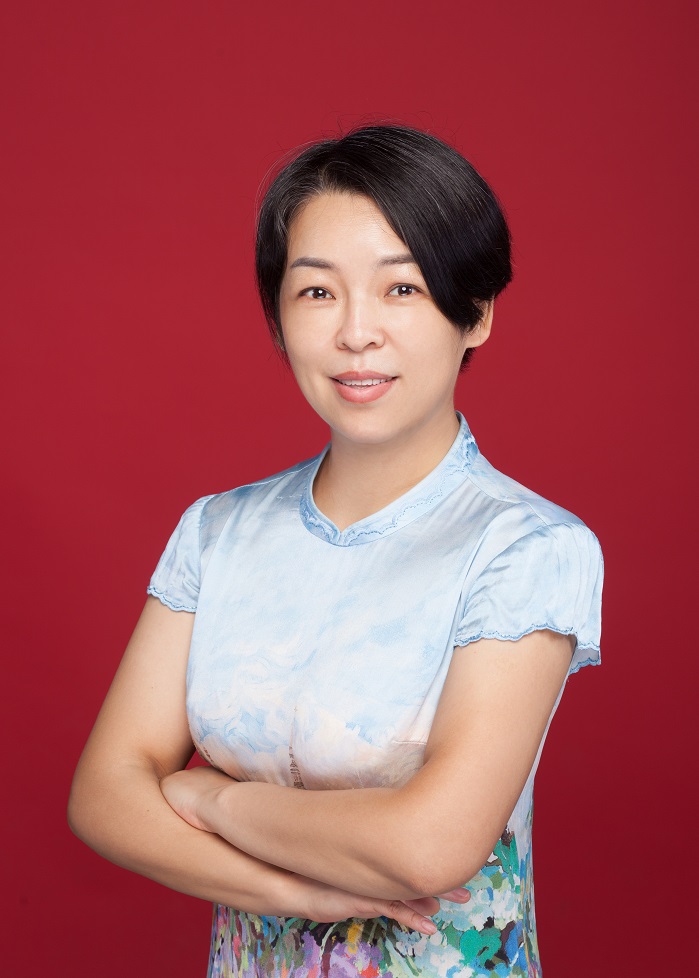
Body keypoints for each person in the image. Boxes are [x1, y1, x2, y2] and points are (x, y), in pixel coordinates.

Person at [69, 124, 603, 978]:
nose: (356, 332)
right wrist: (292, 894)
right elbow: (104, 797)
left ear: (474, 313)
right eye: (317, 292)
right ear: (278, 317)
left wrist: (212, 798)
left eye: (402, 288)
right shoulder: (217, 531)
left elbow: (431, 845)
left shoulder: (529, 548)